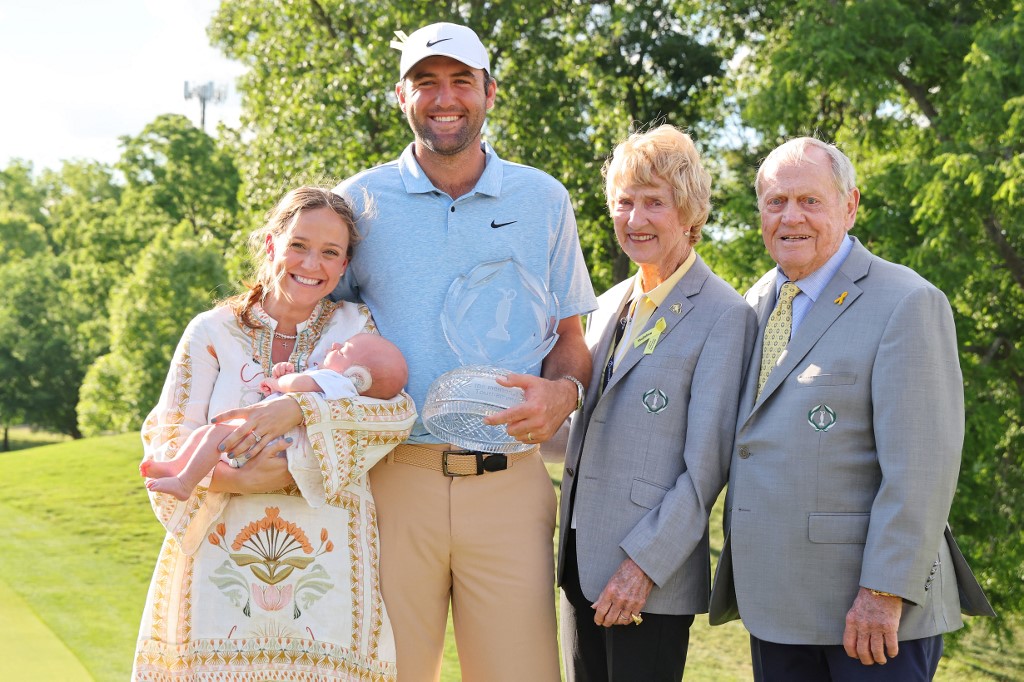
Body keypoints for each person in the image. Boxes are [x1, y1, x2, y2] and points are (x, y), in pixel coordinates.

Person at [330, 21, 597, 682]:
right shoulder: (355, 202)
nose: (444, 97)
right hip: (389, 480)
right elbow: (310, 324)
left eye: (460, 81)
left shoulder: (544, 199)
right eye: (426, 82)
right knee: (380, 674)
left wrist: (563, 395)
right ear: (401, 96)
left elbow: (570, 339)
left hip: (509, 484)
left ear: (490, 92)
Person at [708, 137, 995, 681]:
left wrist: (883, 591)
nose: (790, 217)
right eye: (775, 202)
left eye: (809, 201)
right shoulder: (757, 302)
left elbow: (922, 469)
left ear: (850, 205)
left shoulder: (907, 302)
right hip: (776, 607)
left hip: (869, 617)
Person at [132, 187, 417, 681]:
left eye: (330, 252)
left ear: (345, 263)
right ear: (270, 245)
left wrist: (297, 411)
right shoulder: (212, 331)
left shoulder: (355, 328)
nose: (312, 263)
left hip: (327, 572)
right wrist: (237, 481)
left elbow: (393, 417)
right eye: (298, 245)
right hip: (219, 567)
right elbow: (167, 441)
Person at [556, 125, 756, 681]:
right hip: (580, 563)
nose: (635, 219)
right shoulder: (610, 301)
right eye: (624, 202)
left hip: (646, 580)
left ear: (690, 215)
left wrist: (642, 567)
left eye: (654, 203)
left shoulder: (724, 315)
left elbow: (706, 470)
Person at [140, 332, 408, 500]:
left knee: (212, 434)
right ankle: (177, 466)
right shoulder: (332, 383)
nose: (335, 345)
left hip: (264, 444)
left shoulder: (340, 384)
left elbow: (300, 386)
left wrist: (282, 382)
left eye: (343, 350)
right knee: (204, 435)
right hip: (265, 440)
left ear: (358, 376)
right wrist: (283, 379)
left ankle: (185, 482)